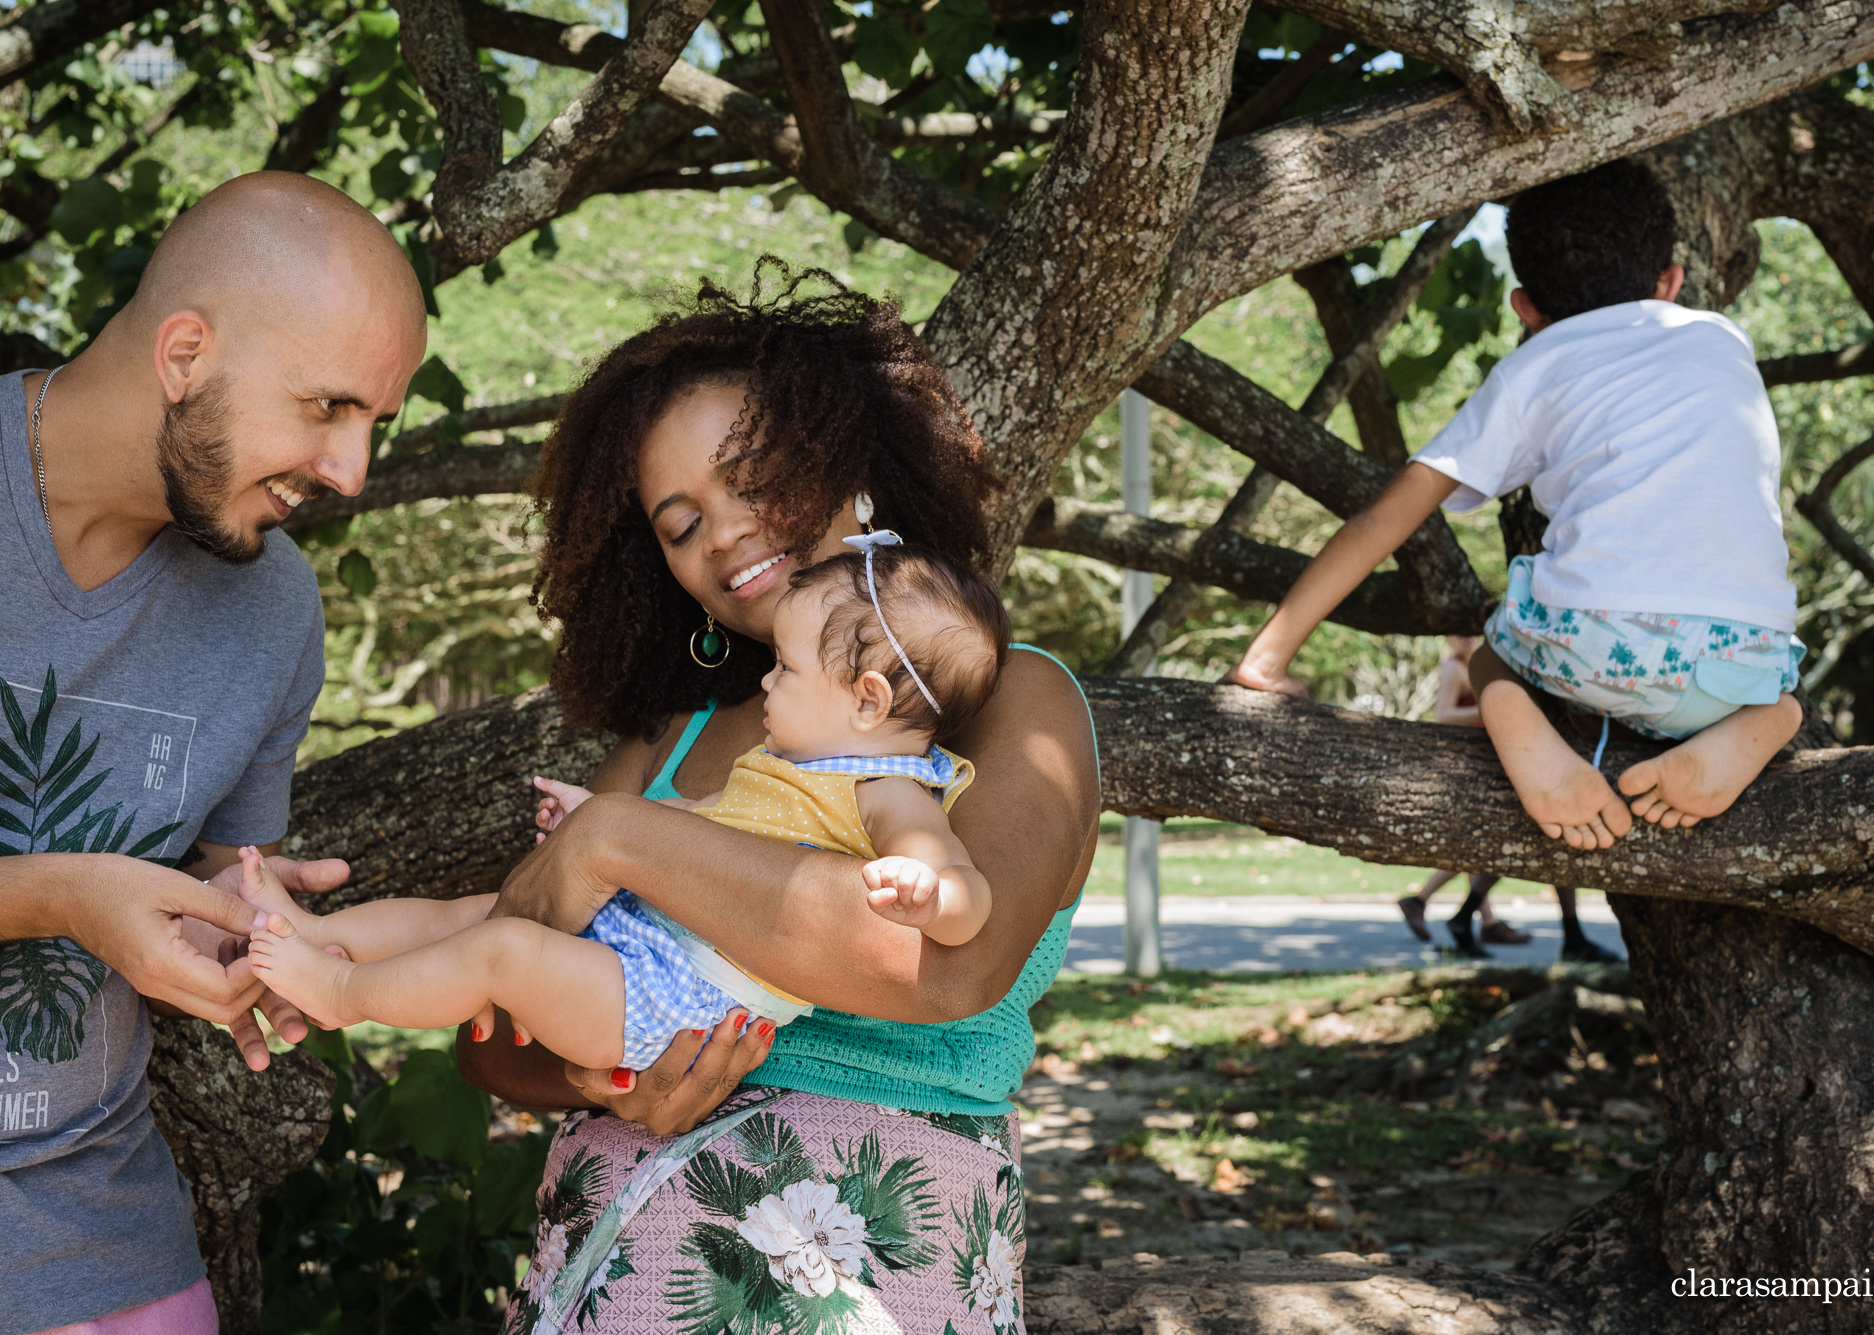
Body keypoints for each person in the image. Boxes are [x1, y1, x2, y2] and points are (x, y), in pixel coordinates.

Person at [453, 264, 1099, 1335]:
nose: (725, 533)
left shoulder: (1013, 704)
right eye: (677, 523)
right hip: (618, 1249)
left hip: (878, 1251)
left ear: (855, 474)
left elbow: (943, 967)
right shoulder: (666, 745)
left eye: (754, 477)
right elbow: (484, 1030)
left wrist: (616, 845)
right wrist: (598, 1080)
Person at [0, 174, 425, 1335]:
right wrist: (58, 898)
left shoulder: (270, 611)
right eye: (328, 406)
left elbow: (199, 899)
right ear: (185, 352)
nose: (350, 473)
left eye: (372, 425)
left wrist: (228, 917)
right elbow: (72, 899)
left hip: (94, 1239)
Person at [236, 537, 1009, 1069]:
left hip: (675, 999)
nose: (768, 682)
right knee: (469, 913)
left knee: (497, 952)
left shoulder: (889, 790)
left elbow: (967, 896)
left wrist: (931, 893)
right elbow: (702, 824)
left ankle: (340, 994)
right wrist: (593, 822)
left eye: (787, 668)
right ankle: (314, 930)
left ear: (868, 700)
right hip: (647, 936)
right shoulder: (785, 763)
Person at [1226, 160, 1803, 851]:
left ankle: (1517, 719)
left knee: (1490, 652)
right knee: (1786, 698)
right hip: (1740, 657)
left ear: (1524, 308)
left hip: (1588, 648)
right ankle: (1759, 725)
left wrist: (1266, 656)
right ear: (1672, 283)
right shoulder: (1721, 338)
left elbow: (1386, 519)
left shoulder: (1535, 364)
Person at [1398, 635, 1530, 955]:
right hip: (1466, 766)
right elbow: (1442, 715)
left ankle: (1475, 919)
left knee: (1474, 849)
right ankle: (1463, 915)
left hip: (1486, 762)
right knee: (1479, 849)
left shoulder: (1487, 664)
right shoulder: (1455, 670)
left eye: (1470, 631)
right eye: (1457, 633)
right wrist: (1487, 708)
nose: (1465, 638)